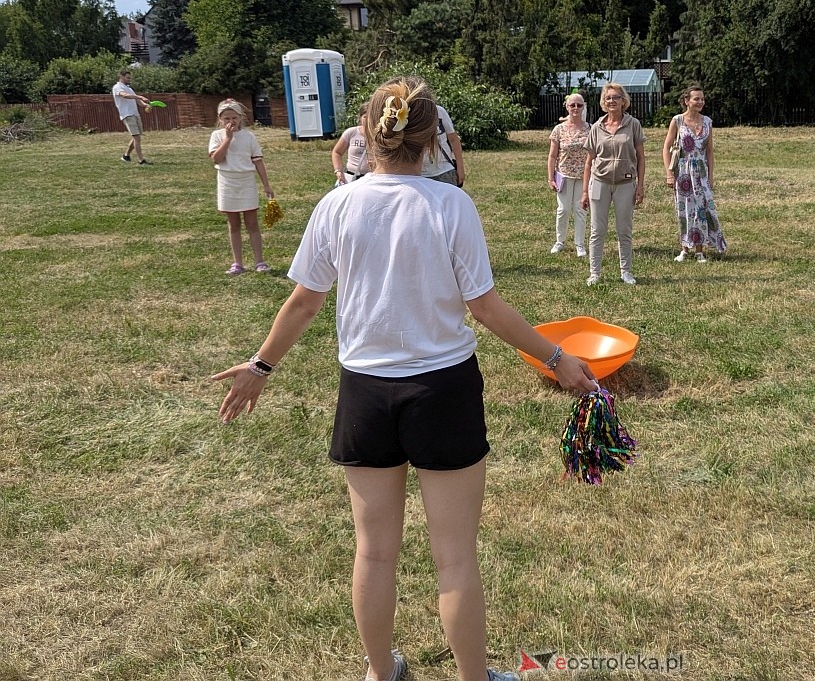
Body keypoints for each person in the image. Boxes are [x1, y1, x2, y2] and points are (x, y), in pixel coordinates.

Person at [212, 78, 597, 681]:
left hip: (365, 393)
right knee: (454, 559)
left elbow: (304, 302)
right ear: (434, 143)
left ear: (368, 136)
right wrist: (558, 359)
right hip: (444, 391)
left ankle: (378, 672)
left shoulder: (337, 204)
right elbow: (488, 309)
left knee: (374, 551)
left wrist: (261, 367)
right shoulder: (451, 205)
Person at [581, 82, 645, 286]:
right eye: (608, 98)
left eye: (616, 97)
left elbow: (641, 158)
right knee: (597, 230)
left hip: (625, 183)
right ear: (603, 102)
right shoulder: (597, 127)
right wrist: (584, 191)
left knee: (623, 229)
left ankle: (626, 271)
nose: (612, 101)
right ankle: (595, 273)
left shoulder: (633, 124)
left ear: (623, 101)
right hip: (600, 182)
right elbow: (589, 161)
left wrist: (640, 185)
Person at [208, 99, 274, 275]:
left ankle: (259, 261)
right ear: (220, 119)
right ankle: (237, 263)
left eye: (234, 117)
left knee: (252, 223)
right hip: (227, 182)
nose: (231, 121)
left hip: (246, 182)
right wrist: (227, 140)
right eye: (227, 118)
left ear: (240, 117)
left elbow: (258, 161)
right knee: (233, 224)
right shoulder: (216, 136)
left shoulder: (249, 136)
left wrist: (266, 185)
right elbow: (216, 158)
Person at [662, 83, 727, 262]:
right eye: (696, 99)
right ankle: (684, 248)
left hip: (701, 172)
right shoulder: (677, 121)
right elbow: (666, 147)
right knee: (684, 210)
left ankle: (699, 250)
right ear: (686, 101)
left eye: (702, 99)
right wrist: (669, 173)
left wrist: (711, 176)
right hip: (682, 171)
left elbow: (710, 151)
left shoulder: (707, 122)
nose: (700, 102)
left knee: (702, 209)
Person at [547, 93, 589, 257]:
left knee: (580, 210)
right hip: (563, 175)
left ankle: (580, 244)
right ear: (567, 107)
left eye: (579, 105)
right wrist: (550, 177)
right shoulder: (559, 130)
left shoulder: (590, 128)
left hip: (583, 176)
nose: (576, 108)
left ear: (583, 107)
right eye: (573, 105)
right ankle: (560, 241)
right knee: (563, 209)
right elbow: (552, 155)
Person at [112, 67, 152, 164]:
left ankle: (126, 156)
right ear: (121, 76)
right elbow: (125, 95)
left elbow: (138, 101)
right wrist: (140, 96)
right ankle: (141, 160)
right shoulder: (117, 87)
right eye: (127, 77)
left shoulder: (129, 88)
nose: (129, 79)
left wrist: (146, 105)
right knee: (137, 138)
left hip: (135, 114)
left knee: (136, 137)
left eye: (130, 78)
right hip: (127, 115)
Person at [422, 103, 465, 186]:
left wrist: (460, 168)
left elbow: (454, 139)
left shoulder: (439, 111)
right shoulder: (409, 113)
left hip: (445, 169)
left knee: (451, 198)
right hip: (421, 174)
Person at [333, 104, 371, 185]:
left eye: (371, 117)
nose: (368, 120)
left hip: (372, 177)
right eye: (365, 117)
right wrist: (338, 171)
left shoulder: (380, 136)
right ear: (360, 118)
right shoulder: (351, 132)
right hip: (352, 177)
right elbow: (337, 152)